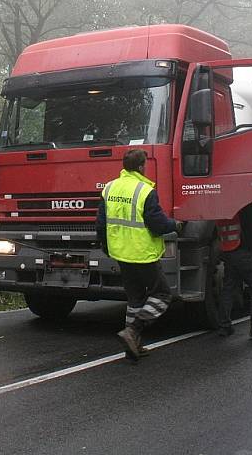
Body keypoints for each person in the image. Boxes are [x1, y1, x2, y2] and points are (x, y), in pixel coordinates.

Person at [96, 149, 180, 360]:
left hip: (121, 252)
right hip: (143, 253)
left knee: (135, 299)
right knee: (162, 295)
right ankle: (133, 331)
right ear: (142, 166)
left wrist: (106, 246)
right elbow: (158, 225)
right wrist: (175, 225)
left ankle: (132, 346)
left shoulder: (110, 187)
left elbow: (100, 223)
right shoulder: (145, 191)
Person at [216, 204, 252, 340]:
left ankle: (224, 326)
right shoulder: (244, 203)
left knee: (229, 288)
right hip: (245, 250)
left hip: (228, 250)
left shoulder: (220, 203)